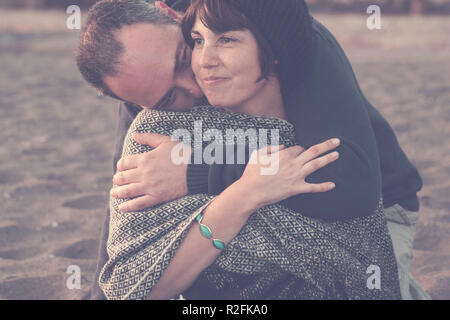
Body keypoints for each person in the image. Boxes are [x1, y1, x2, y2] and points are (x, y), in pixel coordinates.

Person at [76, 0, 429, 299]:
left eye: (184, 57)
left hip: (378, 199)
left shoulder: (289, 37)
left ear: (173, 15)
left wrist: (197, 172)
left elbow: (350, 185)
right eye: (169, 97)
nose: (196, 84)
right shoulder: (146, 98)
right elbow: (127, 199)